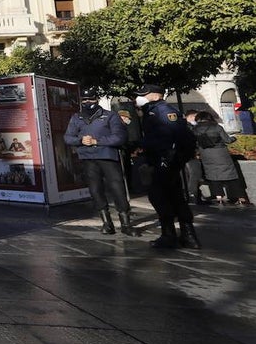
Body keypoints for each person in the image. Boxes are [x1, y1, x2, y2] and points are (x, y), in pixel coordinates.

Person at [136, 84, 200, 249]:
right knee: (172, 196)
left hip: (164, 161)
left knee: (161, 196)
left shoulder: (163, 111)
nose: (140, 97)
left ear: (156, 96)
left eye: (145, 94)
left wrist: (167, 158)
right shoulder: (152, 111)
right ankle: (186, 235)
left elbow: (172, 136)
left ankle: (171, 235)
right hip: (162, 160)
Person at [64, 87, 133, 235]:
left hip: (107, 156)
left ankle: (126, 223)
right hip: (88, 158)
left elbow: (119, 137)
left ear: (97, 99)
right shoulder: (77, 118)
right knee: (95, 191)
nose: (88, 102)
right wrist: (80, 140)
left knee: (117, 189)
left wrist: (97, 141)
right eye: (85, 100)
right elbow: (68, 137)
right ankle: (107, 223)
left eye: (91, 99)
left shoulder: (110, 116)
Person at [194, 110, 252, 206]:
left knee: (213, 176)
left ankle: (219, 198)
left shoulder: (195, 129)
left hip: (206, 155)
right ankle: (240, 197)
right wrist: (234, 137)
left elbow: (194, 143)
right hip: (221, 154)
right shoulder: (217, 127)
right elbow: (228, 140)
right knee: (231, 176)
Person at [181, 112, 209, 205]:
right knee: (194, 175)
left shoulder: (183, 126)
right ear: (191, 116)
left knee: (189, 175)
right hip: (190, 155)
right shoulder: (189, 127)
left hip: (186, 154)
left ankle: (193, 195)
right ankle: (193, 194)